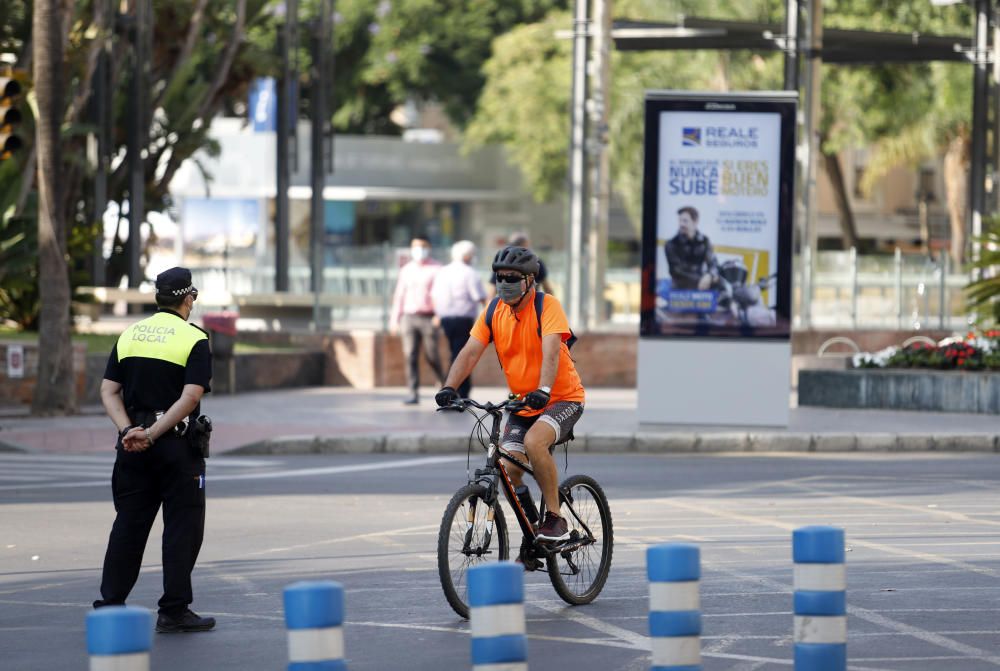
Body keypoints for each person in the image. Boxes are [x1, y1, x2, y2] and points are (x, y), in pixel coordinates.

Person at [435, 246, 584, 567]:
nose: (504, 284)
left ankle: (555, 518)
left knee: (534, 442)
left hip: (561, 399)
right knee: (510, 466)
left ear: (530, 280)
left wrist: (544, 390)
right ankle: (535, 531)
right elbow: (470, 350)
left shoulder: (548, 306)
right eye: (499, 278)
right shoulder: (493, 311)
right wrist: (449, 387)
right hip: (522, 403)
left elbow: (552, 353)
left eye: (512, 279)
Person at [93, 267, 215, 633]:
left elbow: (108, 391)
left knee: (128, 525)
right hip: (176, 447)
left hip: (130, 448)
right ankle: (174, 610)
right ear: (187, 298)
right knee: (181, 528)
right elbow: (191, 396)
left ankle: (110, 604)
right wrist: (154, 432)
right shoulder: (194, 338)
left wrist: (129, 430)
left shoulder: (130, 334)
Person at [390, 237, 446, 405]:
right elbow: (399, 295)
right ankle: (413, 392)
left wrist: (439, 315)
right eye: (415, 246)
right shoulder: (406, 270)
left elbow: (442, 295)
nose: (419, 250)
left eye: (423, 246)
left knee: (431, 355)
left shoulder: (437, 268)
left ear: (429, 247)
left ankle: (445, 385)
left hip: (429, 317)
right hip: (409, 317)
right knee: (410, 355)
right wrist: (395, 319)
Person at [431, 240, 487, 399]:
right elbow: (479, 296)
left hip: (446, 318)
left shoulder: (443, 271)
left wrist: (437, 314)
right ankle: (458, 391)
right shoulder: (469, 273)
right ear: (467, 255)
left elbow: (435, 295)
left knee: (455, 352)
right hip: (463, 319)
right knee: (462, 355)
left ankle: (452, 389)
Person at [664, 206, 719, 290]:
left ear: (695, 222)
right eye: (680, 220)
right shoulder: (671, 244)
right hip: (680, 287)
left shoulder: (705, 241)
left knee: (726, 287)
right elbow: (676, 271)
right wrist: (701, 279)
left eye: (685, 221)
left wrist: (710, 275)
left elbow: (713, 263)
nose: (681, 224)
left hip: (703, 284)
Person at [488, 232, 554, 295]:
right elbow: (548, 289)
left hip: (531, 303)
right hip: (508, 304)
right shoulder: (502, 264)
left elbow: (547, 289)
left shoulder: (536, 262)